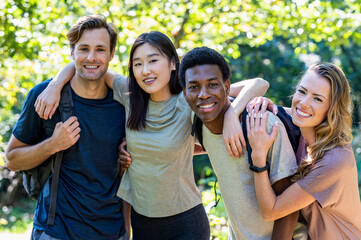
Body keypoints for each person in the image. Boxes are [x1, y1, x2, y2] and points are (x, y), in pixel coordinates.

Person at [33, 31, 269, 239]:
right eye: (137, 64)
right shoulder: (128, 94)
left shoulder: (188, 100)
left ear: (173, 64)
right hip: (142, 221)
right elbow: (88, 63)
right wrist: (54, 85)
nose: (145, 71)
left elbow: (259, 83)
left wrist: (231, 115)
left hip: (187, 220)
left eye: (153, 60)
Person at [5, 15, 129, 240]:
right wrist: (53, 144)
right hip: (56, 232)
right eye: (84, 49)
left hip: (112, 232)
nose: (91, 57)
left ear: (111, 54)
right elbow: (12, 159)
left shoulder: (123, 104)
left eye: (100, 49)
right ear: (72, 53)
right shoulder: (44, 97)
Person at [178, 46, 299, 239]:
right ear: (184, 93)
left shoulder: (261, 123)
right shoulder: (198, 123)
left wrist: (232, 114)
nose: (203, 94)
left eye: (212, 84)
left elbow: (289, 207)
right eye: (194, 87)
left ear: (226, 87)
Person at [247, 62, 361, 239]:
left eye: (318, 99)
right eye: (302, 91)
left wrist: (259, 156)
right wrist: (254, 105)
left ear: (332, 108)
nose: (304, 103)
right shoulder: (303, 126)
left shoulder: (334, 160)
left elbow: (272, 211)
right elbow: (229, 93)